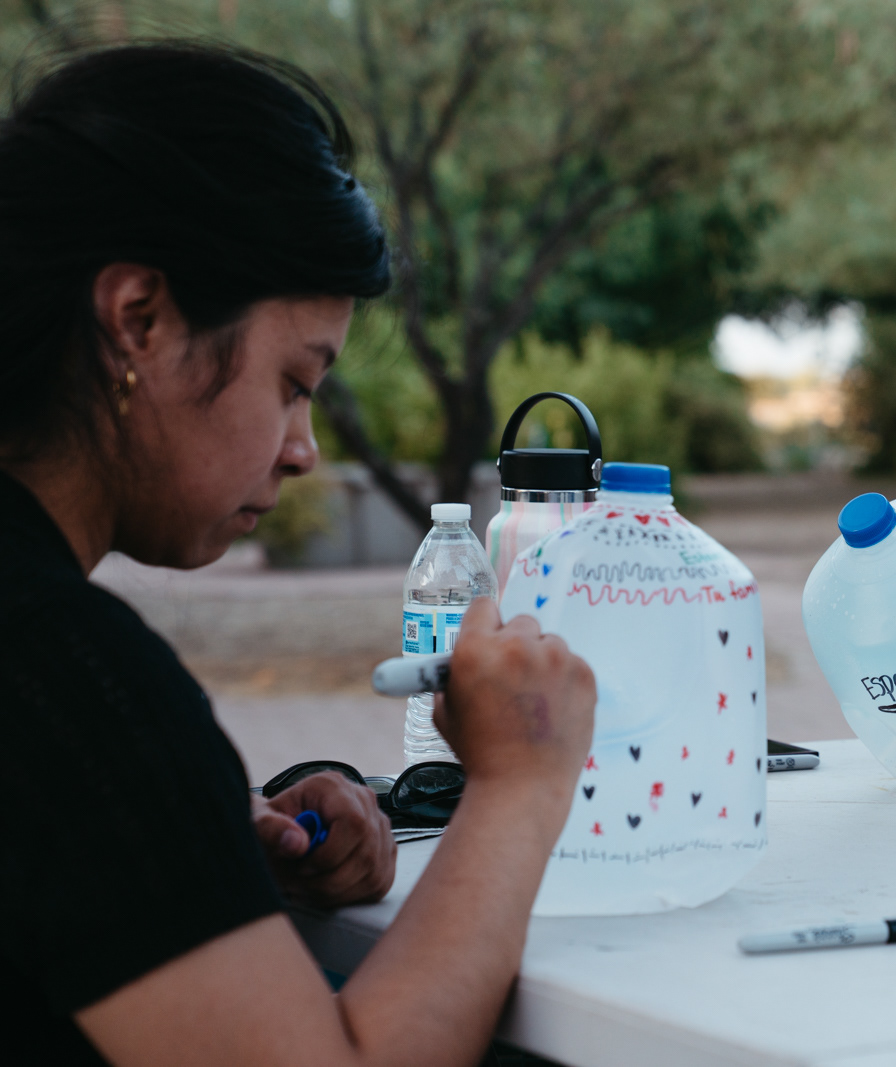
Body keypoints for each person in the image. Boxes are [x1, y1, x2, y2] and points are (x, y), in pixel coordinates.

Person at [0, 43, 595, 1066]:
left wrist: (205, 851)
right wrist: (522, 783)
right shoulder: (61, 670)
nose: (303, 449)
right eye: (292, 380)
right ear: (138, 317)